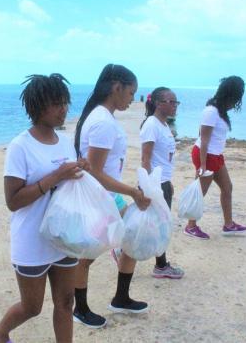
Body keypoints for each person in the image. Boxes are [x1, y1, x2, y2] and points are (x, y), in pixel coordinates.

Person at [0, 74, 88, 343]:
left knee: (66, 302)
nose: (64, 109)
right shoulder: (20, 146)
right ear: (37, 106)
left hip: (64, 235)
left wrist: (79, 170)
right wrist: (56, 176)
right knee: (32, 307)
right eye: (57, 104)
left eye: (65, 102)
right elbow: (13, 200)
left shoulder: (65, 141)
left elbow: (67, 184)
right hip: (32, 238)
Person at [72, 64, 151, 329]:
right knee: (87, 255)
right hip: (98, 199)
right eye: (131, 92)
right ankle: (80, 308)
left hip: (108, 197)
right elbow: (94, 173)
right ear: (117, 87)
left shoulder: (102, 116)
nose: (132, 98)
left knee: (131, 240)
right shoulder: (103, 121)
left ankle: (121, 297)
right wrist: (132, 191)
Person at [184, 76, 246, 239]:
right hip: (205, 155)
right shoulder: (211, 111)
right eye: (235, 97)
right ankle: (190, 226)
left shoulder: (220, 111)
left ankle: (229, 224)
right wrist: (203, 165)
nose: (235, 103)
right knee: (200, 191)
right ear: (229, 94)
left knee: (227, 188)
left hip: (216, 155)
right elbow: (203, 138)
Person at [139, 87, 185, 279]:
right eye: (171, 102)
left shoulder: (164, 125)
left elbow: (164, 158)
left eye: (176, 102)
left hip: (163, 182)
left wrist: (168, 182)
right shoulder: (151, 124)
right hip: (155, 184)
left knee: (159, 225)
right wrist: (150, 187)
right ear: (159, 103)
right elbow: (145, 159)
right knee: (155, 225)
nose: (175, 105)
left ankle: (160, 264)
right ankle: (159, 265)